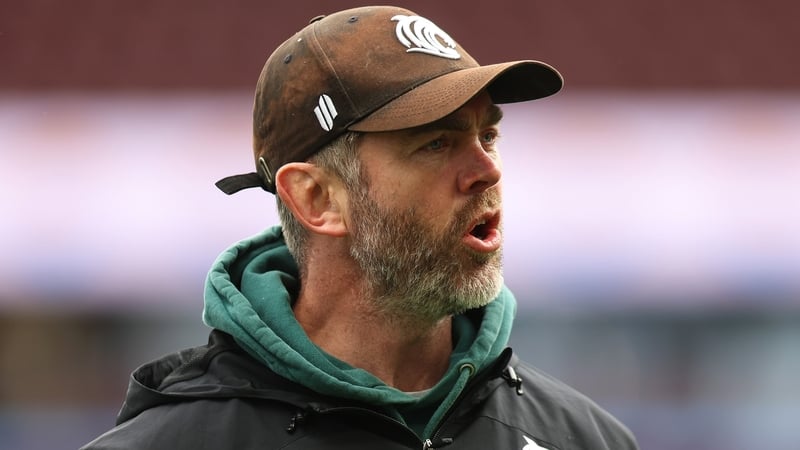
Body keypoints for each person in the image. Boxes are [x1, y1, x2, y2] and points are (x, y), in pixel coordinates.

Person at [83, 6, 638, 450]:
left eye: (487, 137)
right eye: (436, 143)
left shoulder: (585, 439)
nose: (487, 170)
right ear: (318, 198)